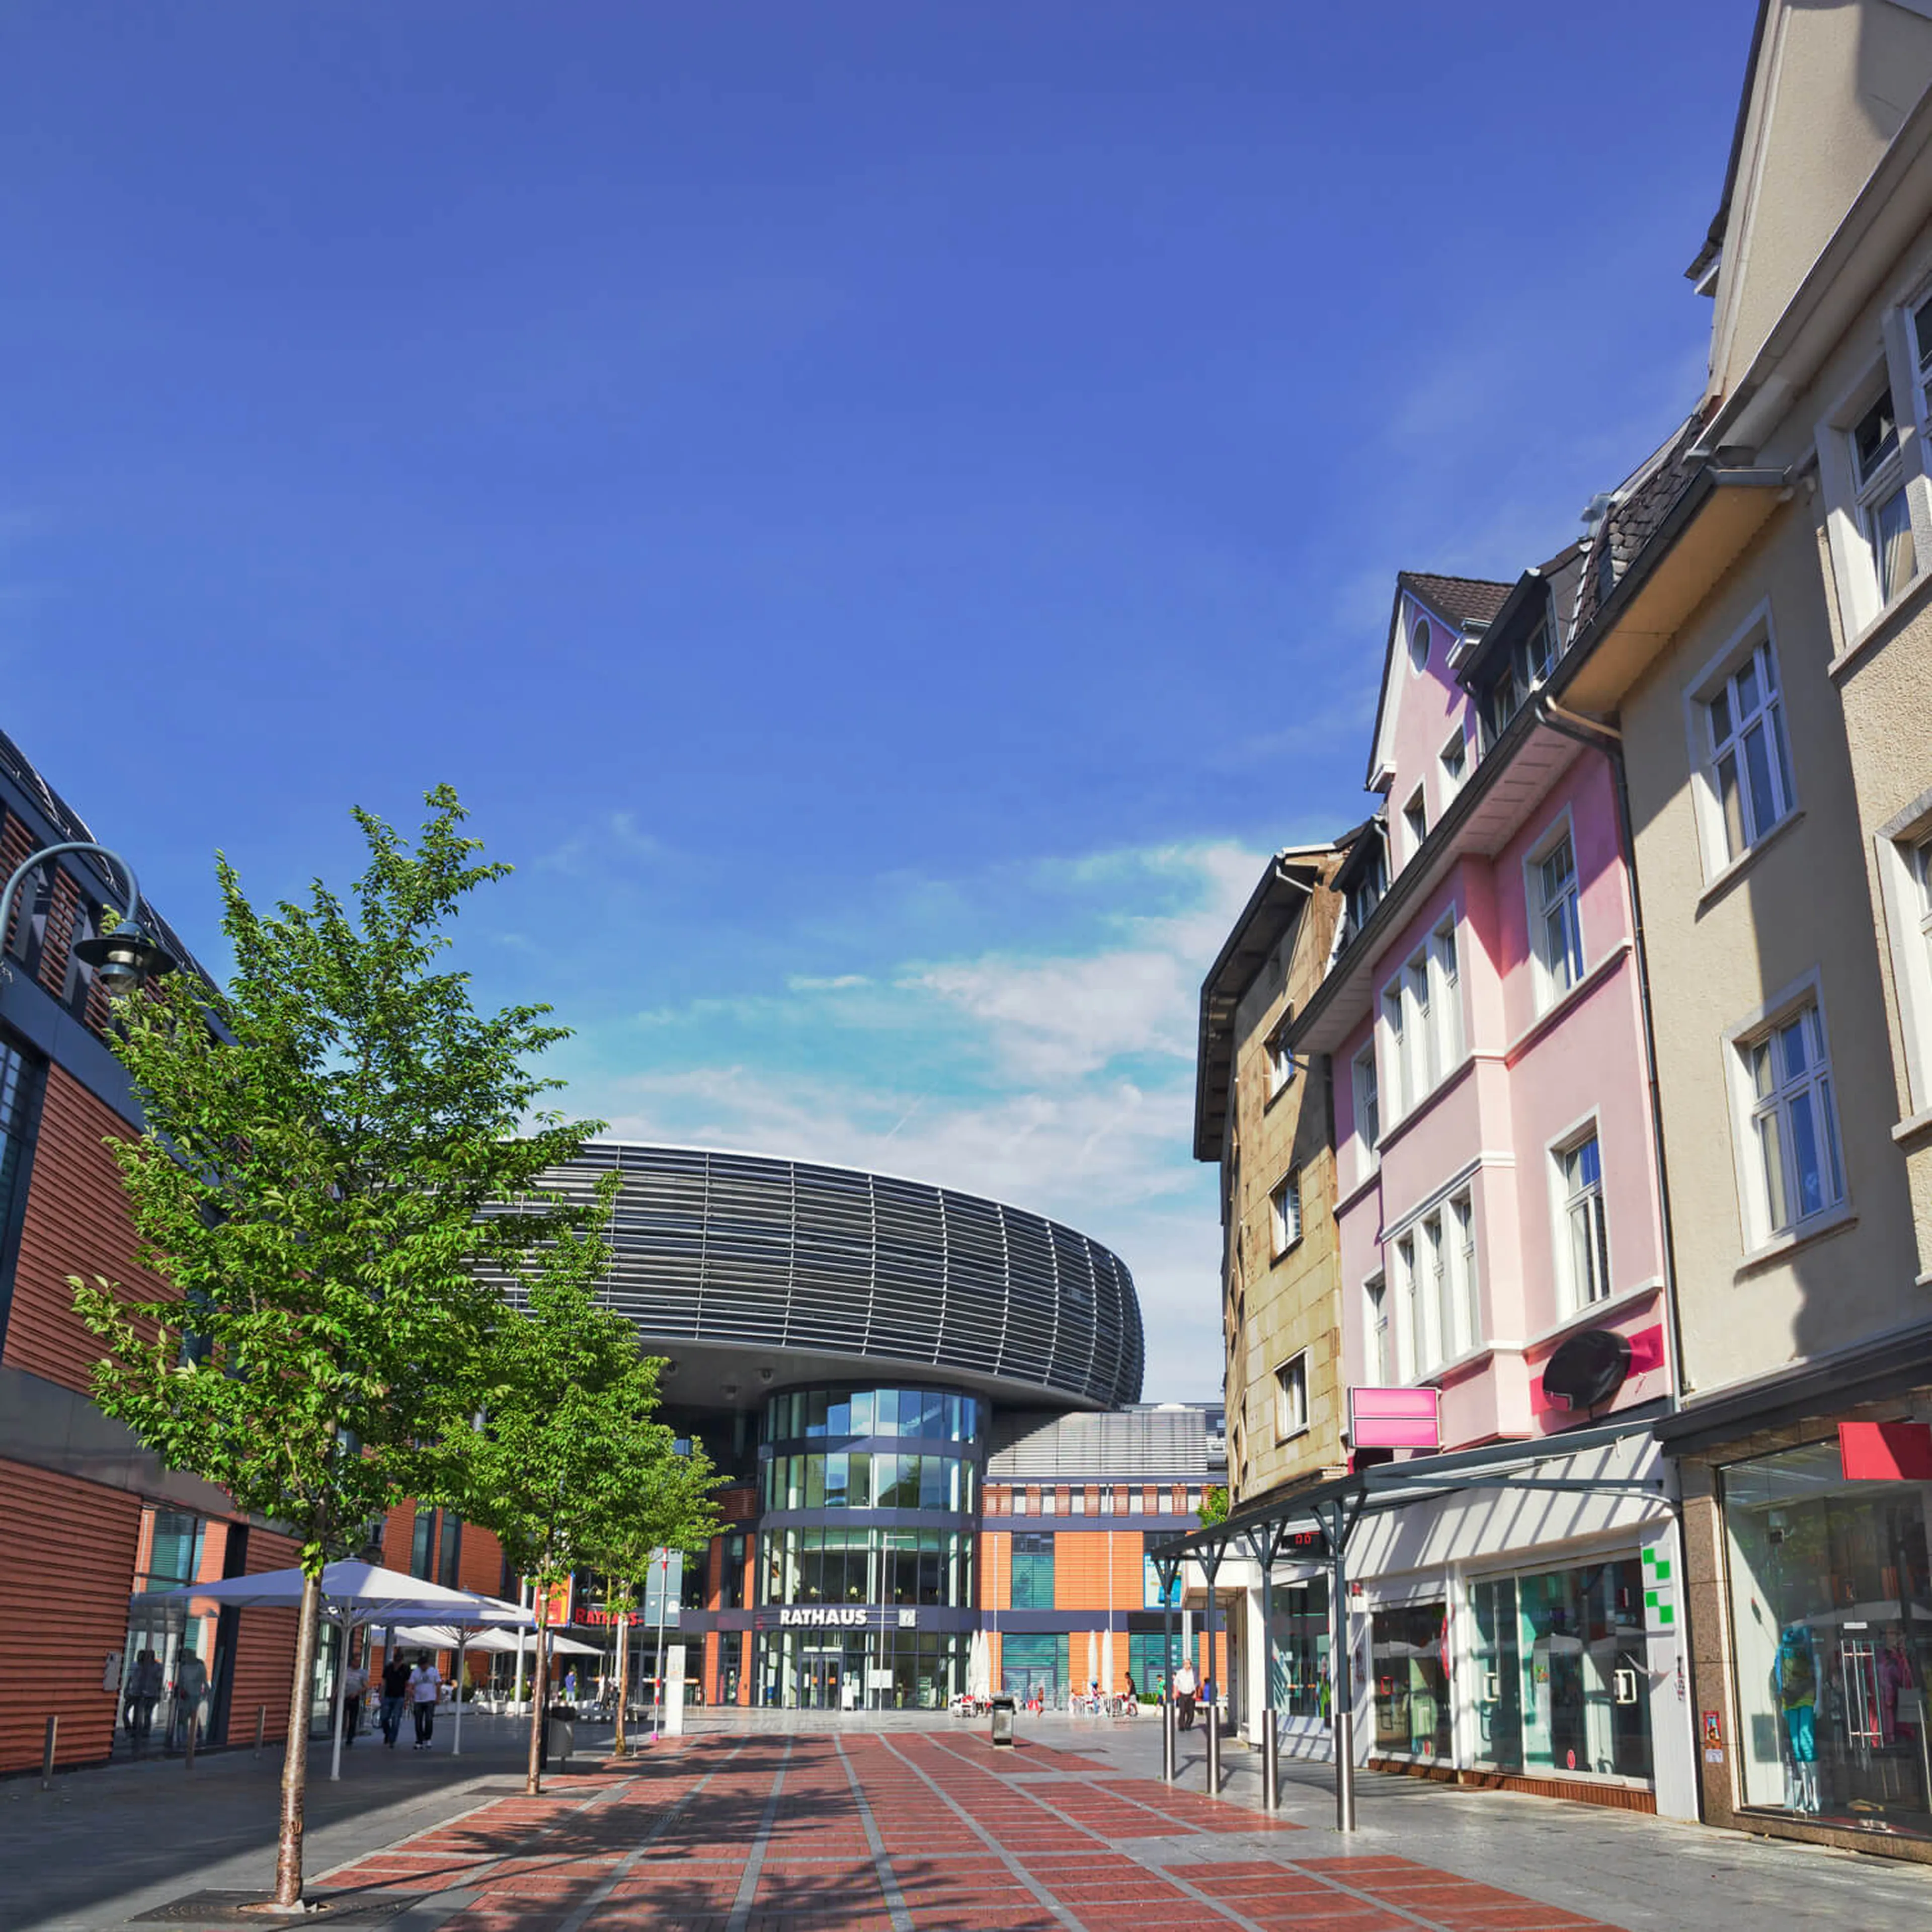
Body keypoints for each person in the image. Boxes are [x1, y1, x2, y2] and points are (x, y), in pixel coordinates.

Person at [170, 1645, 208, 1753]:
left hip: (195, 1695)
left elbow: (204, 1682)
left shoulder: (200, 1667)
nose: (185, 1658)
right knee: (183, 1717)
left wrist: (204, 1695)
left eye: (186, 1656)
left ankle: (196, 1737)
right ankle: (183, 1739)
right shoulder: (184, 1668)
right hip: (185, 1695)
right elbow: (181, 1682)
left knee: (194, 1717)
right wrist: (180, 1691)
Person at [126, 1648, 164, 1751]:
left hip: (151, 1693)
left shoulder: (157, 1667)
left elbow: (159, 1680)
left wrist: (160, 1692)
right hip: (137, 1692)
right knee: (135, 1713)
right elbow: (131, 1678)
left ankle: (145, 1731)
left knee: (148, 1713)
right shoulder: (137, 1665)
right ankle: (134, 1730)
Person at [409, 1651, 442, 1751]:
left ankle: (428, 1738)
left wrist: (438, 1698)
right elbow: (411, 1685)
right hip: (418, 1699)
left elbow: (438, 1685)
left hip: (430, 1699)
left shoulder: (434, 1671)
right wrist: (411, 1694)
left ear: (428, 1664)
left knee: (429, 1720)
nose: (424, 1668)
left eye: (425, 1666)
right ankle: (419, 1740)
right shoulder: (415, 1672)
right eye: (422, 1666)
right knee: (418, 1721)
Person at [380, 1651, 412, 1747]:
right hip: (388, 1695)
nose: (397, 1663)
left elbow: (408, 1684)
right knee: (384, 1718)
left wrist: (407, 1698)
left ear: (402, 1661)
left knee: (396, 1718)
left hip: (400, 1697)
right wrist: (381, 1694)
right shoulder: (388, 1668)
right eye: (396, 1661)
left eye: (399, 1661)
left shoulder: (406, 1669)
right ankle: (388, 1733)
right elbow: (384, 1682)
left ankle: (392, 1739)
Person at [341, 1650, 369, 1746]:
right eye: (356, 1661)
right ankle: (339, 1734)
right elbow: (340, 1683)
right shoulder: (346, 1671)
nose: (358, 1663)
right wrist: (335, 1695)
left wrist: (357, 1693)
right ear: (352, 1661)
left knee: (353, 1718)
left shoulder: (363, 1673)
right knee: (341, 1716)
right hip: (344, 1696)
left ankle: (350, 1738)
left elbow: (366, 1687)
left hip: (354, 1697)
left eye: (359, 1661)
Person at [1174, 1659, 1198, 1732]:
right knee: (1182, 1711)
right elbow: (1176, 1684)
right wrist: (1175, 1693)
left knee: (1191, 1712)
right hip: (1182, 1694)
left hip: (1191, 1694)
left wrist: (1195, 1693)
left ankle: (1188, 1725)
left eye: (1188, 1664)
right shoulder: (1180, 1673)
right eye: (1185, 1664)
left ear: (1191, 1665)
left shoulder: (1194, 1673)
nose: (1186, 1665)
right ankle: (1181, 1726)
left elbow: (1196, 1684)